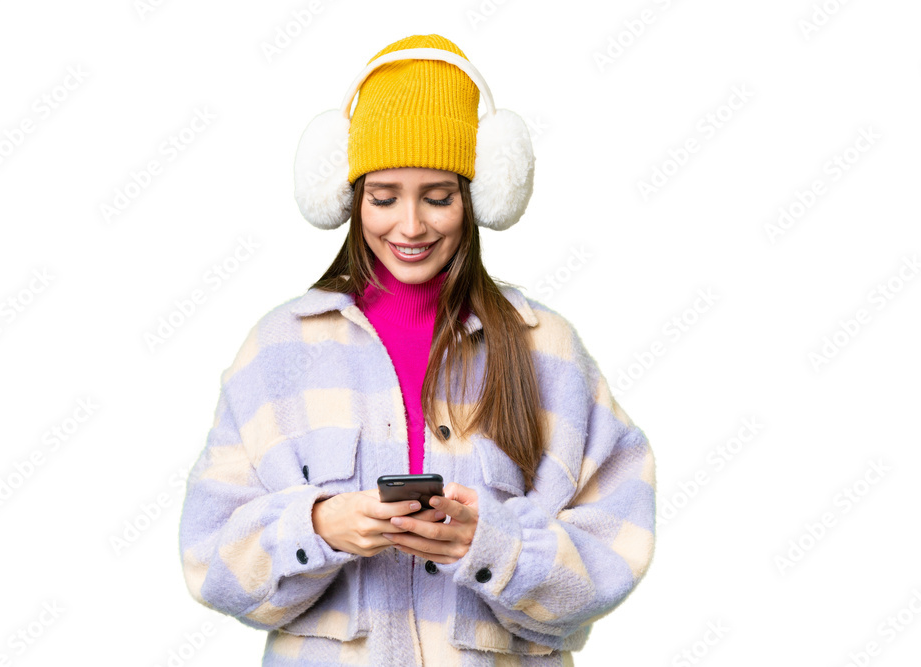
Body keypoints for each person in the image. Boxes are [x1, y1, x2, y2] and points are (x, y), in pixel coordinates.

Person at [177, 33, 657, 666]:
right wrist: (318, 528)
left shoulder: (550, 353)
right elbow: (208, 556)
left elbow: (618, 544)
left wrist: (492, 545)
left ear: (480, 196)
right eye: (383, 197)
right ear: (348, 199)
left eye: (438, 197)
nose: (410, 226)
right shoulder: (277, 351)